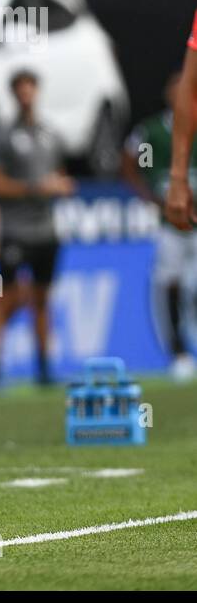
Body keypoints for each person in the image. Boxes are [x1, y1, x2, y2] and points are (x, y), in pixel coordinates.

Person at [0, 69, 75, 387]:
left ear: (37, 91)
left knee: (42, 298)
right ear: (13, 94)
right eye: (20, 90)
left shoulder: (51, 134)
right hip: (15, 230)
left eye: (30, 89)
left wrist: (60, 186)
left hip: (46, 231)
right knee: (3, 296)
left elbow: (57, 174)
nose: (25, 95)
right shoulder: (1, 136)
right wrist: (33, 188)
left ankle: (44, 366)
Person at [123, 72, 197, 381]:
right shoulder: (152, 130)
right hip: (171, 223)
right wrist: (149, 196)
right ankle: (177, 351)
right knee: (170, 283)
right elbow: (129, 159)